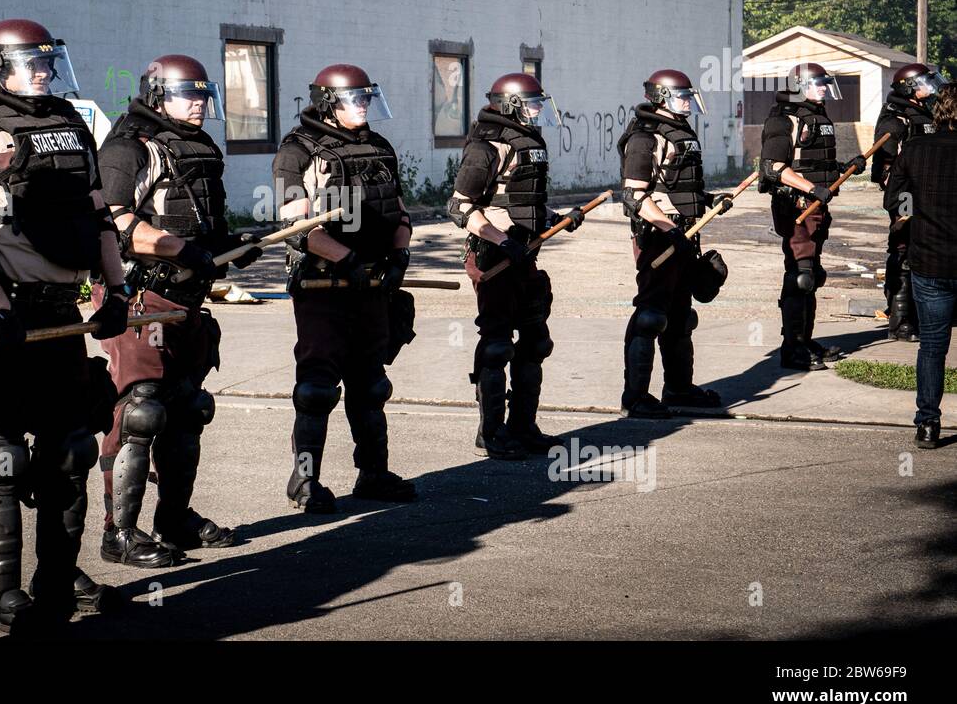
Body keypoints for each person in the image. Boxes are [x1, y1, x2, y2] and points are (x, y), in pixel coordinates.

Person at [0, 18, 129, 632]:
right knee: (2, 456)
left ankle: (56, 579)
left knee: (69, 450)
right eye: (29, 61)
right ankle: (2, 591)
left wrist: (115, 288)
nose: (43, 71)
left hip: (62, 313)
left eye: (48, 60)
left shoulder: (68, 119)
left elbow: (99, 219)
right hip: (1, 313)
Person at [93, 54, 260, 568]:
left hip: (186, 302)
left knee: (187, 409)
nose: (201, 103)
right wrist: (181, 251)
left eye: (205, 93)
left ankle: (174, 518)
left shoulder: (199, 146)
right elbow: (116, 224)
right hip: (141, 298)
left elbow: (200, 221)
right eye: (190, 93)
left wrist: (227, 246)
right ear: (159, 94)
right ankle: (117, 533)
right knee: (141, 411)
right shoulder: (128, 147)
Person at [272, 64, 417, 513]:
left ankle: (373, 473)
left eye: (367, 98)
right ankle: (304, 481)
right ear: (329, 102)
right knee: (317, 388)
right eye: (355, 98)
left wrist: (399, 256)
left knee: (371, 384)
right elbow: (294, 226)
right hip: (323, 285)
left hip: (372, 284)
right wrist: (346, 258)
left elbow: (399, 211)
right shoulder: (297, 151)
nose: (364, 105)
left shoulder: (379, 145)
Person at [446, 72, 585, 458]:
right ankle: (491, 433)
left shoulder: (527, 142)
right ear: (510, 104)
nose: (539, 110)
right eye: (533, 104)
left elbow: (522, 202)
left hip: (524, 254)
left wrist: (558, 217)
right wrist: (502, 241)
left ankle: (523, 426)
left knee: (536, 341)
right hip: (494, 258)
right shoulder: (486, 146)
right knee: (496, 347)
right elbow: (460, 207)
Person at [616, 69, 730, 418]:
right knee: (651, 315)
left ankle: (678, 389)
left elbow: (678, 186)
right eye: (681, 95)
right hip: (659, 238)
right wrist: (669, 229)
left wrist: (709, 200)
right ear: (662, 97)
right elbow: (635, 195)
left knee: (681, 316)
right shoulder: (644, 136)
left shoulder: (681, 131)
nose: (687, 101)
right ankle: (635, 398)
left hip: (685, 236)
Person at [758, 63, 862, 371]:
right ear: (799, 84)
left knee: (812, 275)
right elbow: (773, 167)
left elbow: (812, 162)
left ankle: (805, 340)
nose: (825, 88)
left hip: (816, 206)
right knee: (800, 276)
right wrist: (811, 188)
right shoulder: (783, 120)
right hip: (796, 208)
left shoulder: (817, 115)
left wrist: (843, 168)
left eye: (825, 83)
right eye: (818, 83)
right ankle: (792, 349)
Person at [884, 82, 957, 449]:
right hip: (937, 261)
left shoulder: (915, 149)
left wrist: (913, 216)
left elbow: (895, 200)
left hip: (929, 260)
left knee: (932, 347)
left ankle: (927, 424)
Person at [872, 63, 945, 341]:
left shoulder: (926, 112)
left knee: (925, 250)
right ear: (910, 88)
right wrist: (904, 201)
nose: (931, 86)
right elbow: (886, 167)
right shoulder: (896, 118)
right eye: (925, 81)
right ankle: (900, 320)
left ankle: (922, 313)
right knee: (904, 249)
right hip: (905, 194)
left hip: (927, 194)